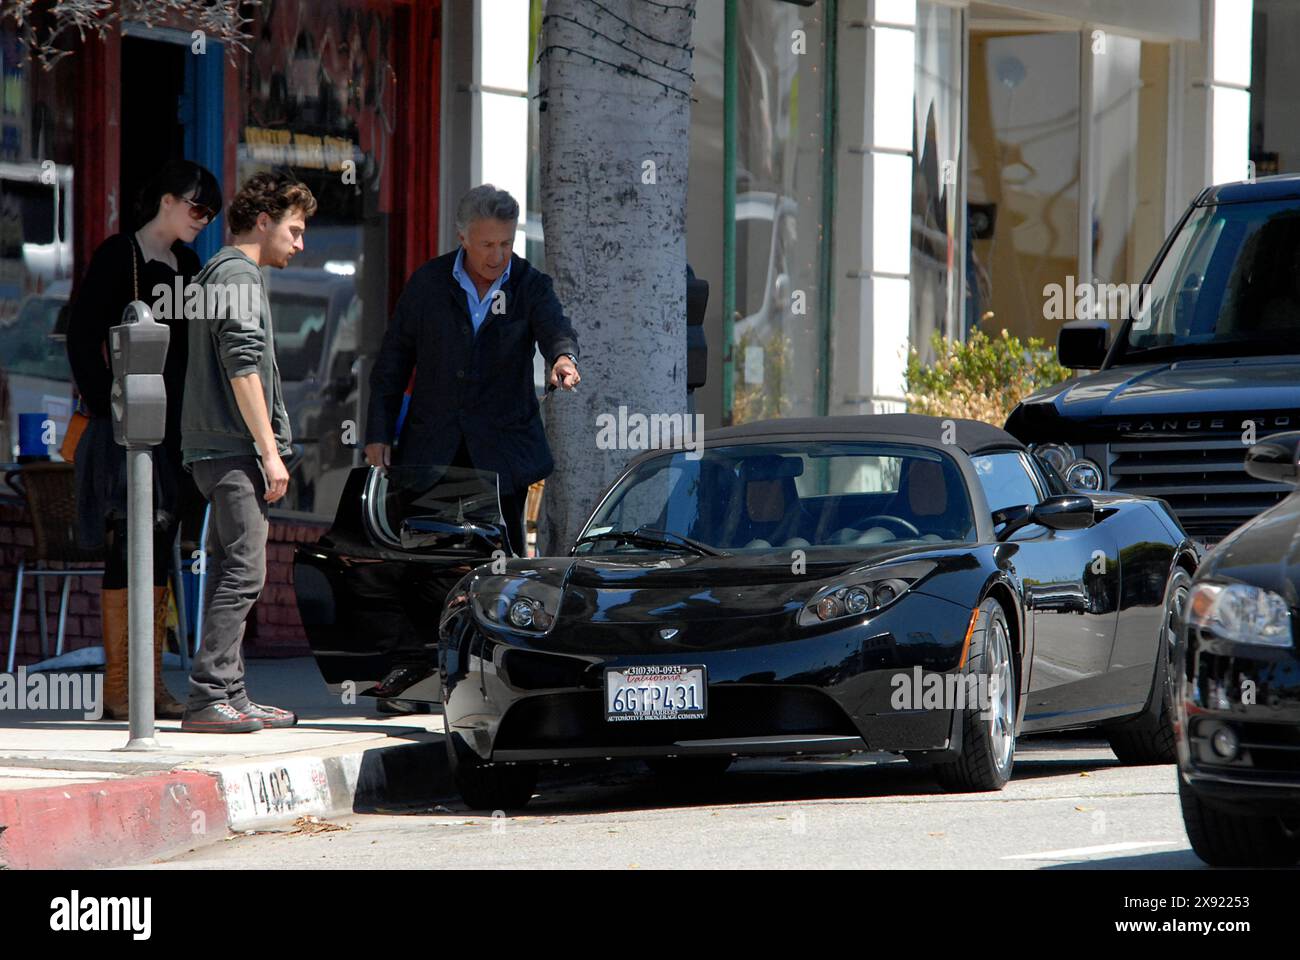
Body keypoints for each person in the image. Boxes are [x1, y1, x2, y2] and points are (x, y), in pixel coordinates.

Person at [362, 184, 579, 709]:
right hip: (435, 450)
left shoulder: (528, 284)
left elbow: (556, 330)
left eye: (506, 244)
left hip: (499, 458)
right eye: (487, 245)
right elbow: (393, 361)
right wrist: (377, 433)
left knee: (496, 569)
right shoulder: (429, 284)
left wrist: (563, 359)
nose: (498, 255)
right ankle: (417, 678)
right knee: (427, 566)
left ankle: (495, 680)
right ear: (462, 237)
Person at [66, 160, 223, 721]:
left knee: (161, 542)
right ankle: (118, 688)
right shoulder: (119, 256)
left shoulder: (187, 263)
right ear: (167, 200)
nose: (203, 220)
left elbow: (195, 348)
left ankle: (150, 683)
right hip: (126, 427)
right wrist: (109, 404)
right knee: (126, 540)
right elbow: (83, 336)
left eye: (210, 213)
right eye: (197, 208)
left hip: (176, 428)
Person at [179, 172, 316, 733]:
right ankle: (208, 694)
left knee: (226, 569)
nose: (300, 243)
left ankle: (230, 692)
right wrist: (269, 452)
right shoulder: (237, 273)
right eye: (295, 228)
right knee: (247, 570)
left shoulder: (220, 271)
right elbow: (242, 367)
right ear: (264, 221)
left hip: (214, 449)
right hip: (233, 449)